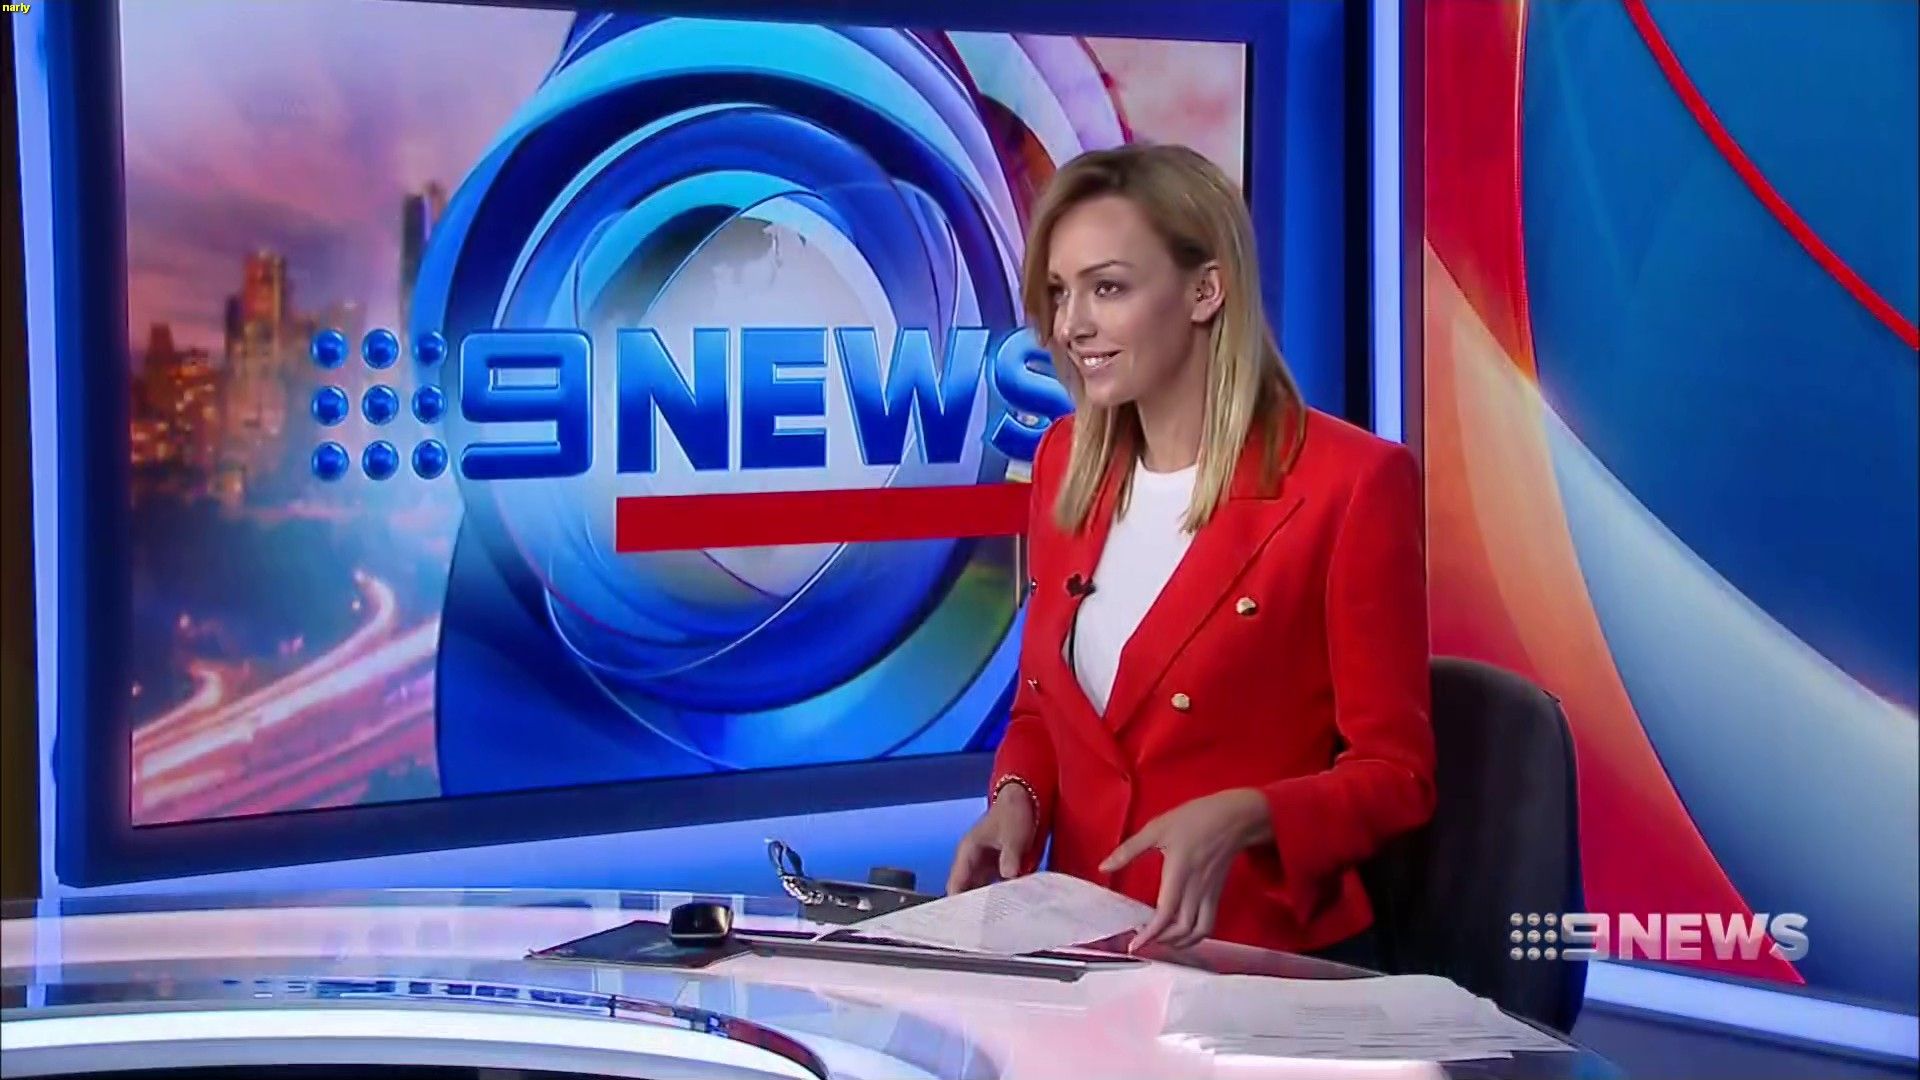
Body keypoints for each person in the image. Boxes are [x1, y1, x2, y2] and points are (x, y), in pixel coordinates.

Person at [945, 143, 1436, 964]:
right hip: (1087, 949)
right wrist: (1017, 803)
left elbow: (1397, 776)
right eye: (1060, 293)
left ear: (1206, 290)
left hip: (1254, 959)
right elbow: (1042, 710)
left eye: (1108, 288)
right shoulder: (1066, 462)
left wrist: (1251, 815)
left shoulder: (1352, 485)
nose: (1070, 326)